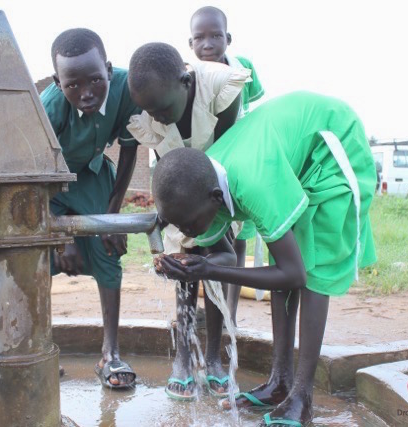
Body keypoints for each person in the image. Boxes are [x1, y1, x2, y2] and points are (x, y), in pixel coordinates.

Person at [153, 91, 376, 426]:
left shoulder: (253, 182)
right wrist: (189, 268)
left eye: (189, 224)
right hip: (289, 156)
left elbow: (293, 275)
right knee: (281, 254)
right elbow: (226, 254)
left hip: (333, 144)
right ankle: (279, 382)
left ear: (215, 199)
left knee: (314, 271)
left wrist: (210, 269)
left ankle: (302, 398)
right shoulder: (201, 180)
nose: (188, 233)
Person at [126, 42, 249, 400]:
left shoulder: (221, 89)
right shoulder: (154, 107)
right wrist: (171, 209)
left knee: (213, 270)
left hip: (217, 185)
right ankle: (182, 358)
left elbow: (227, 150)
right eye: (149, 110)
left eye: (162, 109)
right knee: (184, 268)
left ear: (184, 81)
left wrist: (208, 215)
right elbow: (164, 159)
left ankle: (212, 358)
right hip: (178, 188)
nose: (158, 117)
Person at [39, 28, 141, 389]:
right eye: (73, 85)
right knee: (31, 256)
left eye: (96, 79)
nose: (86, 93)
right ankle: (36, 352)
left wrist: (112, 217)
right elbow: (34, 178)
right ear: (58, 82)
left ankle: (109, 354)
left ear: (109, 70)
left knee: (108, 251)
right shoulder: (49, 108)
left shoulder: (128, 90)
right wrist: (60, 234)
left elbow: (129, 150)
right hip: (46, 187)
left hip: (94, 176)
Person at [188, 5, 266, 324]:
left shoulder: (243, 66)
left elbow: (255, 108)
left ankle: (230, 312)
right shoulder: (192, 76)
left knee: (240, 236)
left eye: (215, 35)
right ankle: (199, 312)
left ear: (228, 38)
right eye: (200, 37)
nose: (208, 43)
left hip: (240, 161)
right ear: (190, 43)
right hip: (208, 162)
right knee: (204, 241)